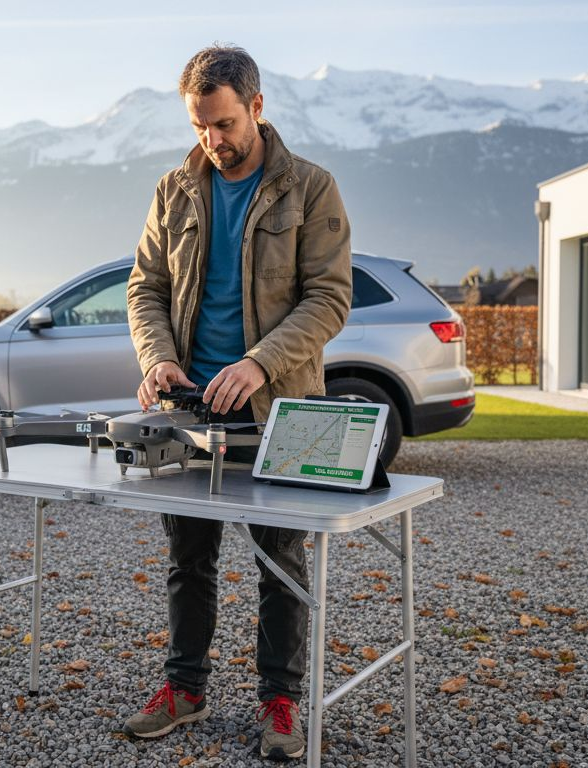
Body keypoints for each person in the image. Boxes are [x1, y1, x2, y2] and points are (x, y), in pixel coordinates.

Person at [122, 44, 353, 761]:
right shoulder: (173, 190)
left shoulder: (312, 188)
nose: (212, 142)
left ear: (256, 107)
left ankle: (280, 703)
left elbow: (330, 297)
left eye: (223, 124)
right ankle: (184, 689)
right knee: (187, 557)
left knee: (279, 559)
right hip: (188, 409)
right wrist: (157, 357)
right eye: (200, 127)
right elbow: (145, 289)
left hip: (283, 407)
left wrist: (258, 364)